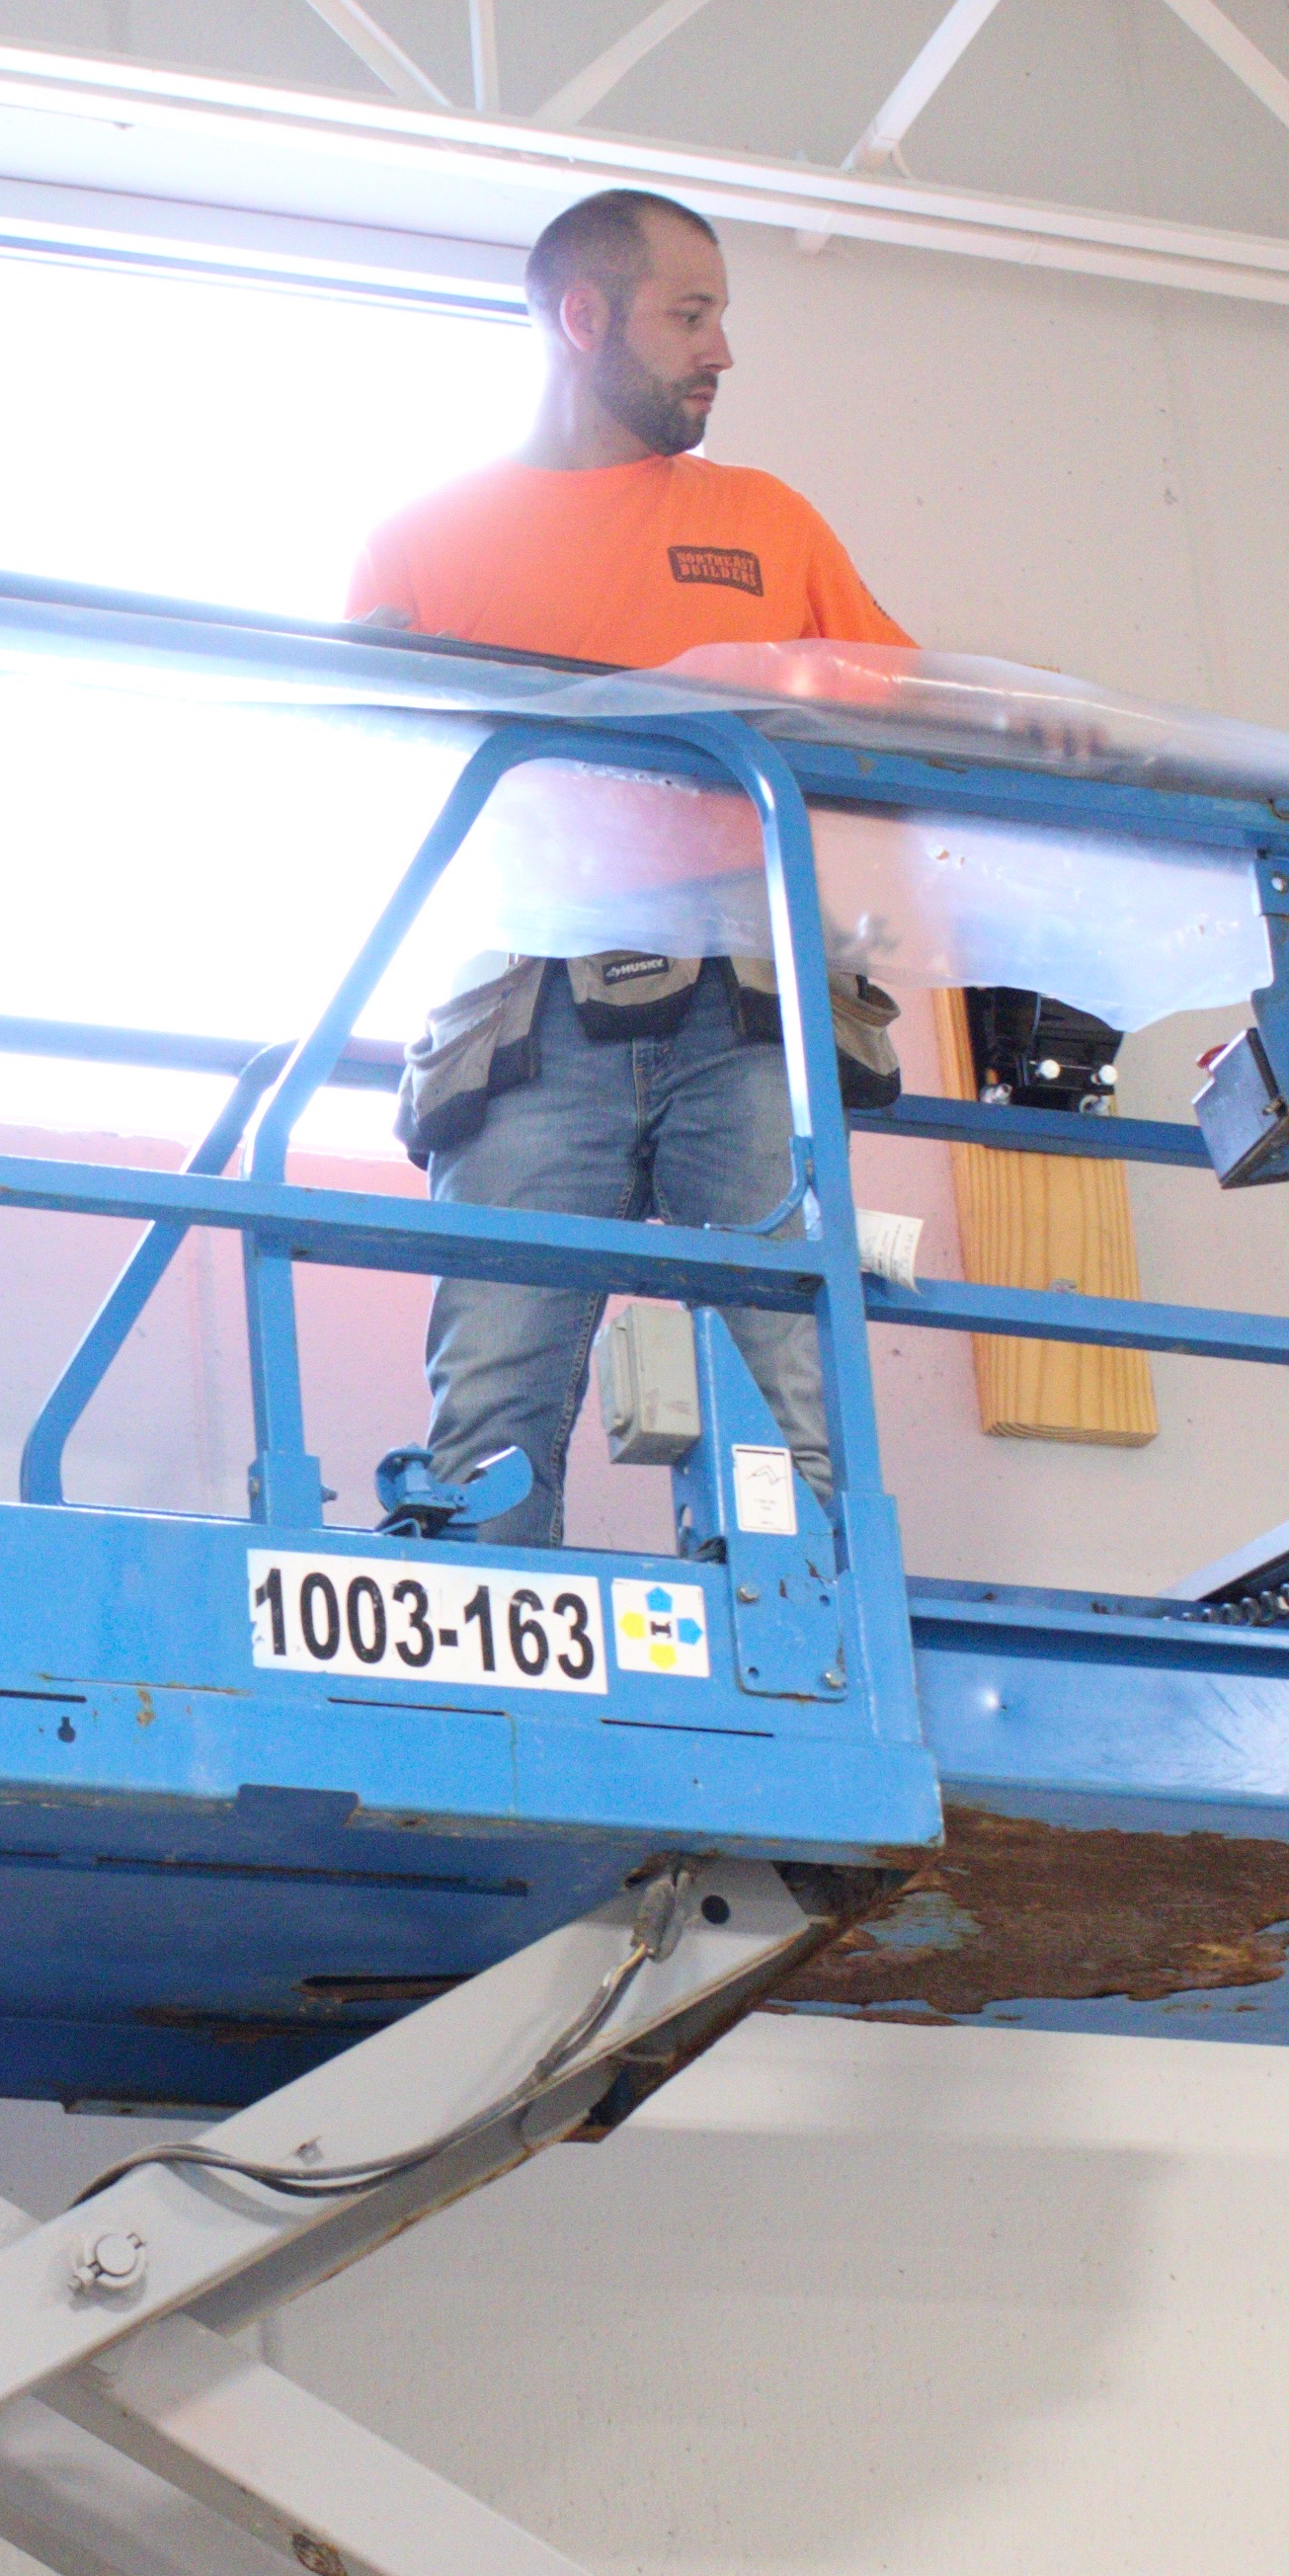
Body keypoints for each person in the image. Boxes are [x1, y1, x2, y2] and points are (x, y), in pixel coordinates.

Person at [349, 187, 910, 1554]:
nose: (722, 350)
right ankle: (488, 1663)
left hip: (747, 1004)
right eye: (690, 314)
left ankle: (798, 1641)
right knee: (490, 1417)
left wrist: (1050, 731)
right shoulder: (424, 543)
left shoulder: (765, 521)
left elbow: (910, 715)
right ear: (584, 317)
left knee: (792, 1401)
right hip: (529, 1013)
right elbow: (361, 764)